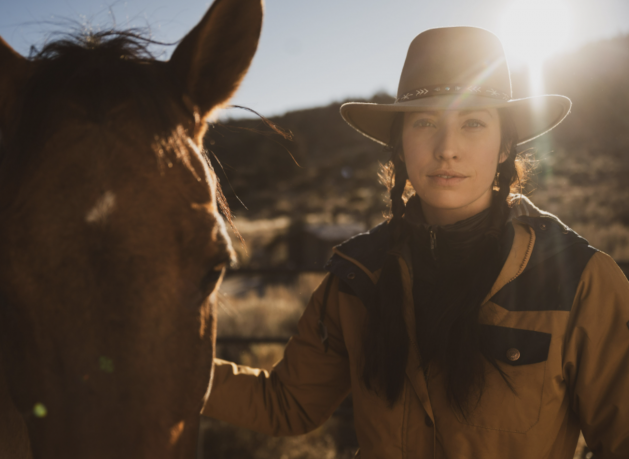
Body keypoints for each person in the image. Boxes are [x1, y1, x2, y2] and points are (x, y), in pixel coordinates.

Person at [202, 27, 629, 458]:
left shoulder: (578, 281)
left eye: (474, 123)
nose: (447, 149)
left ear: (505, 147)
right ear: (399, 147)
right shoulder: (358, 276)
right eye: (425, 122)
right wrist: (161, 363)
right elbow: (288, 405)